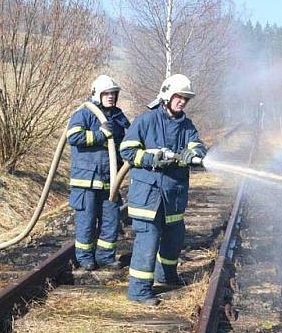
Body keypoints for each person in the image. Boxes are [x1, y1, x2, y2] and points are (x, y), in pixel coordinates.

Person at [119, 74, 207, 305]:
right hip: (148, 195)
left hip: (173, 196)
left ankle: (166, 276)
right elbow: (127, 150)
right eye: (179, 97)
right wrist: (152, 157)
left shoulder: (186, 126)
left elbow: (198, 145)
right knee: (149, 240)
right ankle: (139, 291)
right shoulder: (145, 121)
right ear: (167, 96)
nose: (183, 102)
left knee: (174, 238)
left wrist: (195, 153)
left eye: (186, 99)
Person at [66, 75, 130, 270]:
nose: (111, 97)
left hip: (110, 180)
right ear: (97, 94)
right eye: (107, 93)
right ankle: (85, 258)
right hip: (86, 181)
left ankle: (105, 257)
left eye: (113, 93)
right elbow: (73, 136)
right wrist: (99, 135)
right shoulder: (85, 113)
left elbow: (126, 141)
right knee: (86, 222)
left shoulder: (118, 116)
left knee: (111, 220)